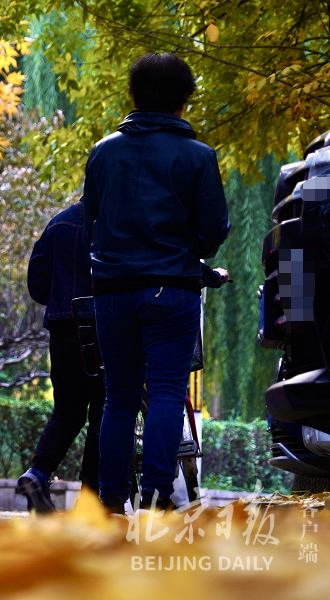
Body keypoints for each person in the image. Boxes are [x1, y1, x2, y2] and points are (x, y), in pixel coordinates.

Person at [82, 53, 230, 513]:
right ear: (184, 100)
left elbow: (91, 219)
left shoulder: (104, 152)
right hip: (173, 287)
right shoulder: (199, 156)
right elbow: (213, 229)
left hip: (111, 291)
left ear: (134, 95)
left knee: (119, 397)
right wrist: (190, 251)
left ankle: (109, 501)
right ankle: (155, 491)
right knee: (167, 390)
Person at [17, 201, 106, 512]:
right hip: (103, 325)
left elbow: (37, 283)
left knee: (67, 411)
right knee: (104, 413)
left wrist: (60, 298)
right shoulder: (115, 220)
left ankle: (37, 474)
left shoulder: (58, 223)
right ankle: (91, 499)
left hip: (63, 326)